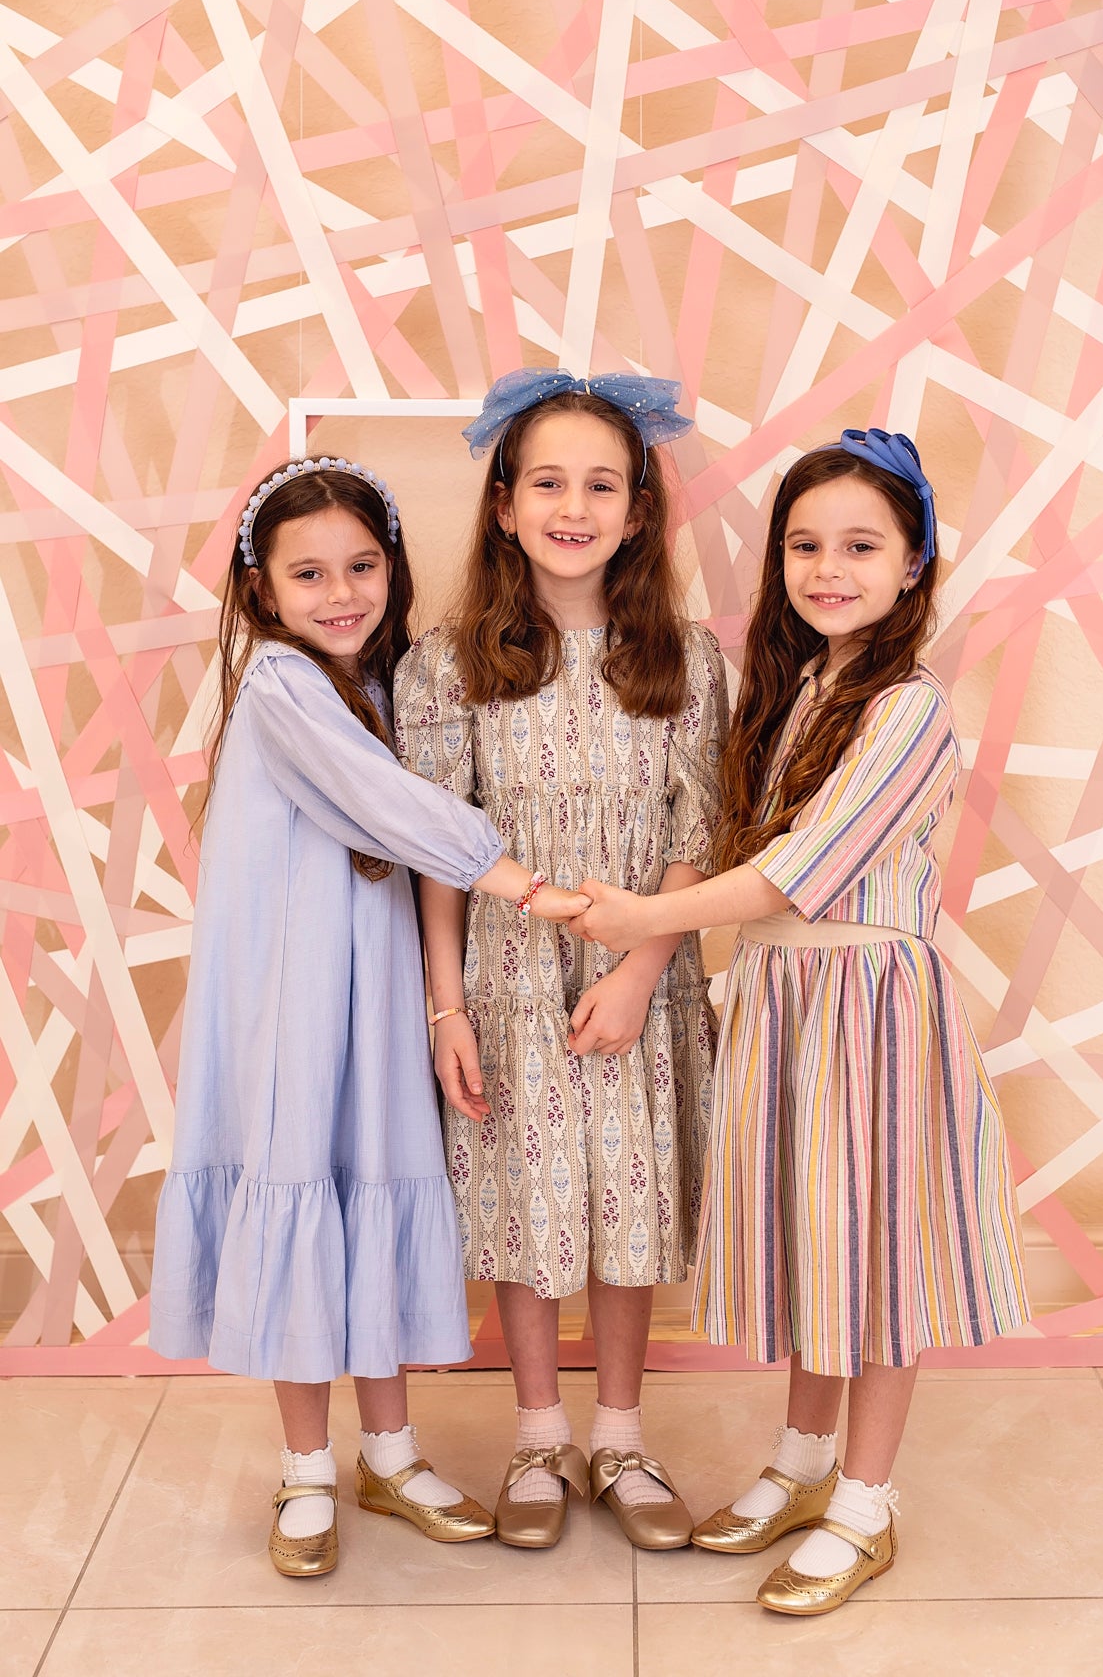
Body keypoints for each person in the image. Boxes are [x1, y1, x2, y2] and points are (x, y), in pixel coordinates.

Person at [575, 430, 1029, 1613]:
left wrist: (642, 917)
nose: (829, 569)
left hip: (869, 1013)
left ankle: (866, 1506)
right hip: (786, 1004)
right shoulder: (793, 694)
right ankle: (804, 1461)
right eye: (805, 545)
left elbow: (796, 871)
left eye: (862, 547)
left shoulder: (909, 710)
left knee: (874, 1260)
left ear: (915, 563)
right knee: (821, 1243)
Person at [149, 457, 587, 1578]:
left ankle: (389, 1452)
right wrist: (520, 881)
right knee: (300, 1185)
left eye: (361, 565)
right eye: (309, 574)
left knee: (373, 1187)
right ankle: (307, 1467)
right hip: (291, 1000)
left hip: (374, 993)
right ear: (261, 588)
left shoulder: (384, 687)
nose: (341, 593)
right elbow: (391, 806)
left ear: (391, 566)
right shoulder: (281, 687)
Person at [393, 370, 728, 1551]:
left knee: (630, 1201)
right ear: (504, 503)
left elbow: (698, 836)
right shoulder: (447, 666)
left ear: (638, 512)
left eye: (601, 485)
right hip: (507, 985)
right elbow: (437, 852)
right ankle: (540, 1435)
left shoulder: (686, 659)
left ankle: (621, 1437)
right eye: (547, 482)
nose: (573, 507)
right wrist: (446, 1009)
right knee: (525, 1206)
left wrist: (638, 971)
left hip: (644, 979)